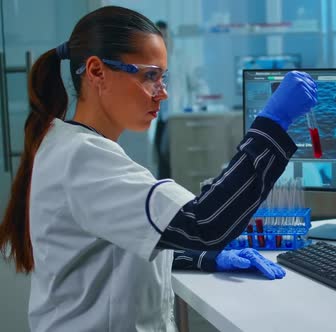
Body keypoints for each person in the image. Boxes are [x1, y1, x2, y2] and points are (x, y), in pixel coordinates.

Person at [0, 6, 317, 331]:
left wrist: (205, 259)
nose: (162, 92)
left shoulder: (72, 146)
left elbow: (126, 243)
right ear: (96, 72)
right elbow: (203, 224)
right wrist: (271, 125)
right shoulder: (82, 158)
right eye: (149, 76)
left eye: (162, 77)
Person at [153, 20, 172, 179]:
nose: (163, 39)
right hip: (159, 118)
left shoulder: (178, 59)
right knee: (160, 157)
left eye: (164, 35)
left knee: (169, 155)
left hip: (174, 117)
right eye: (159, 35)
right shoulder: (152, 61)